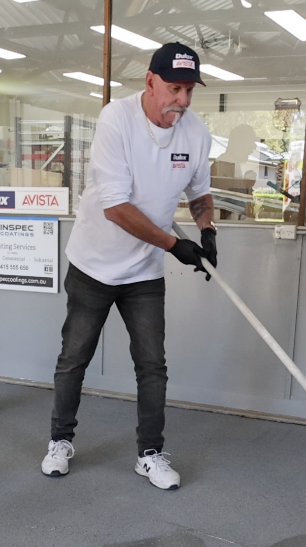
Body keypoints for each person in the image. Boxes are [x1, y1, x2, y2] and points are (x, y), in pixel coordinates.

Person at [41, 42, 216, 490]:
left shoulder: (196, 133)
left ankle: (150, 454)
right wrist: (175, 245)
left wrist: (208, 230)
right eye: (174, 88)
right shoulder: (116, 119)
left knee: (152, 365)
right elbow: (115, 207)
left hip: (144, 273)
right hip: (94, 266)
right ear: (151, 81)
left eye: (190, 90)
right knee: (74, 358)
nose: (182, 99)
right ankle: (60, 441)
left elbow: (199, 192)